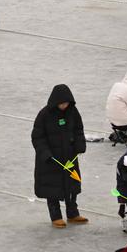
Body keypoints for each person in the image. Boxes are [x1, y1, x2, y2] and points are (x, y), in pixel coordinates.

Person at [33, 84, 87, 228]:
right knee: (52, 190)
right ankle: (55, 216)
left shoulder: (73, 112)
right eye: (62, 103)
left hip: (69, 158)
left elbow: (78, 130)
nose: (64, 106)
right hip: (51, 161)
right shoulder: (44, 115)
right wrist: (46, 154)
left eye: (66, 103)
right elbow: (37, 138)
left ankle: (73, 213)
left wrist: (80, 145)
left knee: (72, 186)